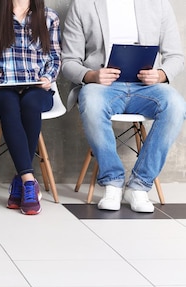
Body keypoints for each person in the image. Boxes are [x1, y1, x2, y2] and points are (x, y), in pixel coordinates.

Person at [61, 0, 185, 213]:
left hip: (146, 87)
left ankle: (139, 185)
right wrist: (91, 75)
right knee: (91, 101)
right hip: (102, 86)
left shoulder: (159, 4)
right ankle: (113, 181)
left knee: (175, 104)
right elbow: (68, 61)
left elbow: (176, 56)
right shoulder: (83, 5)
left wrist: (161, 75)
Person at [0, 0, 61, 215]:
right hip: (2, 88)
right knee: (10, 104)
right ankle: (29, 182)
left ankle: (20, 182)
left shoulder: (49, 16)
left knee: (31, 104)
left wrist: (48, 78)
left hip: (36, 86)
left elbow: (56, 57)